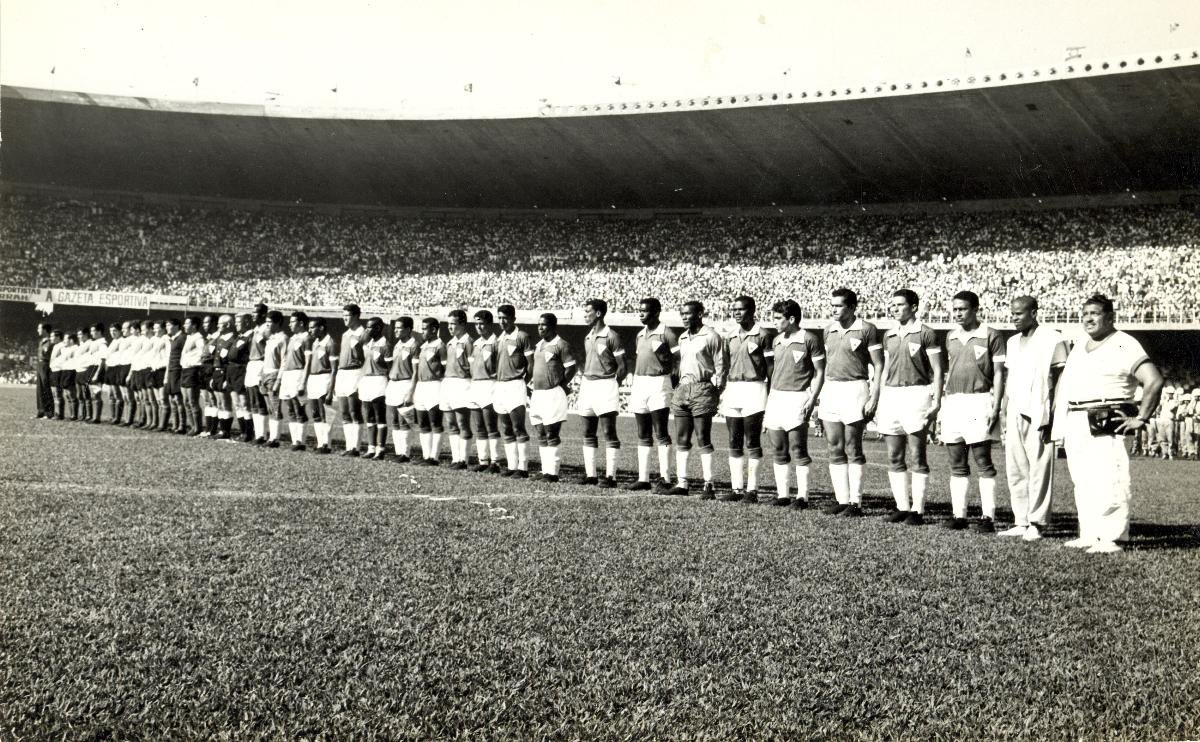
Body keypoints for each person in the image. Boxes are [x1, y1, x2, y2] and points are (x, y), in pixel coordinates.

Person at [1053, 294, 1163, 554]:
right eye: (1085, 314)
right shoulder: (1081, 344)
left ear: (1110, 317)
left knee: (1110, 478)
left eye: (1095, 313)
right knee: (1083, 479)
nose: (1088, 319)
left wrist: (1141, 418)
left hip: (1108, 414)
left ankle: (1112, 537)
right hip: (1077, 416)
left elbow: (1154, 380)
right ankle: (1090, 533)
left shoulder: (1125, 343)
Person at [1001, 296, 1068, 541]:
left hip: (1040, 408)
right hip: (1015, 408)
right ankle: (1021, 520)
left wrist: (1054, 411)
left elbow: (1062, 376)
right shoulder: (1012, 342)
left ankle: (1037, 523)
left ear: (1034, 313)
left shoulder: (1053, 338)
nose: (1014, 318)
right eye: (1012, 313)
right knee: (1015, 468)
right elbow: (1010, 378)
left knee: (1039, 467)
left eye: (1019, 313)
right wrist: (1004, 408)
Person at [938, 291, 1006, 532]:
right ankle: (959, 515)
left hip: (979, 400)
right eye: (955, 309)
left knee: (982, 460)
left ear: (976, 309)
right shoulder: (951, 336)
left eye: (963, 309)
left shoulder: (991, 335)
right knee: (956, 461)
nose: (957, 313)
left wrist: (996, 405)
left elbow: (999, 373)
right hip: (954, 401)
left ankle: (988, 517)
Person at [876, 289, 943, 525]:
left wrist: (937, 401)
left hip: (917, 394)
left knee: (917, 455)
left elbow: (937, 369)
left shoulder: (926, 333)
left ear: (913, 307)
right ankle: (902, 507)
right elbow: (885, 369)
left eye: (900, 305)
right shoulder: (889, 334)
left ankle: (918, 510)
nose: (894, 309)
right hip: (891, 394)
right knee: (894, 455)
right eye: (892, 305)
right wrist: (880, 397)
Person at [819, 288, 884, 516]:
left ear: (852, 307)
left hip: (855, 388)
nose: (834, 309)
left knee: (853, 446)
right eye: (832, 305)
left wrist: (874, 395)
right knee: (834, 446)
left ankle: (856, 503)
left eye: (839, 306)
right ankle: (842, 500)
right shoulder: (828, 330)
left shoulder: (867, 329)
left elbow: (879, 365)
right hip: (831, 388)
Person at [763, 300, 825, 507]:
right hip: (776, 397)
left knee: (798, 448)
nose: (774, 322)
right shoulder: (777, 340)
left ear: (791, 319)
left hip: (798, 397)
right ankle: (783, 495)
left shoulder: (809, 339)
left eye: (777, 318)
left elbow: (820, 371)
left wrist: (813, 398)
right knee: (778, 449)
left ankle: (802, 497)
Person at [668, 300, 725, 498]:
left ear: (700, 314)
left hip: (702, 388)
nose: (684, 317)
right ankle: (682, 483)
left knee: (703, 437)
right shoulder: (683, 337)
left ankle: (709, 484)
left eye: (688, 314)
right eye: (682, 314)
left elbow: (721, 365)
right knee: (682, 438)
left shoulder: (711, 336)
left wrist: (717, 390)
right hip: (683, 389)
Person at [721, 296, 773, 502]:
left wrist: (771, 393)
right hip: (734, 388)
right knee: (734, 440)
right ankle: (736, 489)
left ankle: (752, 490)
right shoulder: (730, 336)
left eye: (741, 309)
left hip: (754, 387)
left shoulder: (763, 335)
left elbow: (770, 367)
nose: (736, 313)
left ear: (751, 311)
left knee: (752, 440)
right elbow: (727, 364)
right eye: (734, 309)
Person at [626, 297, 676, 492]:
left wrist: (672, 378)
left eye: (644, 310)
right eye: (639, 310)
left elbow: (678, 359)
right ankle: (643, 478)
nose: (641, 314)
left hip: (659, 382)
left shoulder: (667, 334)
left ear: (656, 312)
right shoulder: (640, 335)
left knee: (661, 431)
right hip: (640, 382)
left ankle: (666, 478)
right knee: (643, 432)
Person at [577, 299, 626, 487]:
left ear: (598, 313)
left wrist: (611, 384)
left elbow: (622, 367)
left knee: (608, 431)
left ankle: (611, 477)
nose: (585, 315)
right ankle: (591, 475)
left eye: (587, 311)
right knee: (587, 431)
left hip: (605, 384)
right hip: (587, 385)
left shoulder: (612, 336)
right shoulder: (588, 336)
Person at [530, 313, 577, 481]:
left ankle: (553, 473)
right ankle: (545, 470)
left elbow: (571, 368)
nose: (540, 327)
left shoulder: (561, 344)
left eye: (543, 324)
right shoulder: (538, 345)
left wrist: (560, 385)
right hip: (537, 394)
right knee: (541, 433)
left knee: (551, 434)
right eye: (539, 324)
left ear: (552, 326)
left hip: (553, 393)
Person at [493, 305, 535, 478]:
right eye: (499, 318)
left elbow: (531, 364)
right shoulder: (499, 338)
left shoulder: (522, 336)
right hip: (500, 385)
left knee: (518, 427)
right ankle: (512, 466)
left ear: (513, 319)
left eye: (505, 318)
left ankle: (523, 468)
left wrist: (523, 381)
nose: (502, 321)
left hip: (515, 384)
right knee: (506, 427)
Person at [442, 309, 476, 470]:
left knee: (462, 422)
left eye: (453, 324)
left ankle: (464, 459)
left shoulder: (469, 342)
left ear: (462, 324)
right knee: (451, 423)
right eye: (448, 324)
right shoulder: (450, 343)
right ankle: (456, 458)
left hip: (463, 384)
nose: (450, 327)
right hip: (448, 383)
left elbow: (472, 367)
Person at [469, 310, 503, 472]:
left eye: (481, 323)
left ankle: (495, 462)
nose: (479, 327)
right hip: (475, 385)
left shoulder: (496, 342)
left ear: (490, 324)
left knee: (490, 425)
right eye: (476, 324)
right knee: (479, 426)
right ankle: (483, 461)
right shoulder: (476, 343)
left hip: (490, 385)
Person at [413, 317, 447, 465]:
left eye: (424, 329)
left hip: (434, 385)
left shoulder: (440, 346)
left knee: (435, 422)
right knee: (423, 423)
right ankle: (426, 456)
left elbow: (446, 369)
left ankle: (434, 457)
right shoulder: (423, 346)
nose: (422, 332)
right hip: (421, 386)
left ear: (433, 330)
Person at [384, 317, 419, 462]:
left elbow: (416, 372)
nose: (395, 330)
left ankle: (405, 453)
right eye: (395, 328)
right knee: (394, 421)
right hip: (393, 384)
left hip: (406, 383)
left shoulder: (414, 345)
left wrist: (411, 391)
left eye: (399, 328)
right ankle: (398, 452)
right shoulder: (397, 344)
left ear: (408, 329)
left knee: (403, 420)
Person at [333, 304, 367, 456]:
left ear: (356, 316)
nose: (344, 318)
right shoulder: (345, 334)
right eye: (343, 315)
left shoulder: (363, 334)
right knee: (344, 411)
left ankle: (356, 448)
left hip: (355, 372)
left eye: (347, 315)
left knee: (354, 410)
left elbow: (366, 358)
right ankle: (349, 447)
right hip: (342, 373)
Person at [357, 317, 391, 459]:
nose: (367, 329)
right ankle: (371, 448)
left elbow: (389, 367)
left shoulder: (385, 345)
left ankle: (380, 449)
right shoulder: (368, 343)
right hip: (367, 381)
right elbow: (361, 359)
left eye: (369, 327)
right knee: (369, 416)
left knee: (379, 416)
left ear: (378, 328)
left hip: (379, 380)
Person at [278, 311, 312, 451]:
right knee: (290, 408)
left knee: (299, 408)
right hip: (287, 375)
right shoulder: (292, 338)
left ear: (301, 323)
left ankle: (301, 441)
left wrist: (303, 381)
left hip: (298, 374)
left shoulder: (307, 338)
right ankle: (294, 440)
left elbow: (308, 361)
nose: (289, 324)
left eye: (292, 322)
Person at [305, 317, 338, 454]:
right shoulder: (315, 342)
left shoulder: (330, 343)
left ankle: (326, 445)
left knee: (325, 414)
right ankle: (320, 443)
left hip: (324, 378)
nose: (310, 330)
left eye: (312, 327)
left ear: (321, 328)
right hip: (313, 379)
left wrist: (330, 390)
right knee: (316, 414)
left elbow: (334, 369)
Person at [259, 311, 288, 448]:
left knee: (275, 407)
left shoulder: (283, 338)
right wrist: (261, 374)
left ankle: (275, 439)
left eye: (269, 322)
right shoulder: (270, 338)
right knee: (269, 408)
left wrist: (279, 380)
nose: (267, 325)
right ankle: (270, 437)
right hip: (265, 374)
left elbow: (284, 361)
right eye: (266, 322)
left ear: (277, 323)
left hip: (274, 375)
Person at [179, 317, 207, 435]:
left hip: (192, 370)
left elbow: (203, 353)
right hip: (185, 370)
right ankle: (192, 426)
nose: (184, 326)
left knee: (192, 401)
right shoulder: (189, 337)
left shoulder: (198, 338)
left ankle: (197, 427)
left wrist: (195, 364)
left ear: (194, 325)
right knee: (185, 401)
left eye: (187, 323)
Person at [164, 318, 187, 433]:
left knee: (178, 399)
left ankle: (182, 426)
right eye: (166, 325)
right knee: (172, 399)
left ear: (177, 326)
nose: (167, 327)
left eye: (169, 325)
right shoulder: (172, 339)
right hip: (171, 371)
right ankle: (175, 425)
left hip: (178, 371)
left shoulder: (182, 338)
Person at [34, 323, 54, 419]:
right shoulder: (41, 341)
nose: (38, 330)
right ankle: (41, 411)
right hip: (40, 364)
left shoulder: (51, 342)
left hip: (46, 364)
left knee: (46, 388)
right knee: (39, 388)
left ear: (45, 330)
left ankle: (49, 412)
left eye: (39, 328)